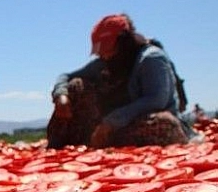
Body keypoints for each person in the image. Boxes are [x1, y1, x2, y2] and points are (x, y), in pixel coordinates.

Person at [46, 13, 197, 149]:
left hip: (140, 121)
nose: (104, 56)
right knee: (75, 86)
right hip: (115, 126)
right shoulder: (105, 62)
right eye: (102, 53)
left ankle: (102, 141)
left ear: (123, 43)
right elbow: (66, 76)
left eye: (108, 50)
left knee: (164, 124)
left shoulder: (151, 59)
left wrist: (111, 122)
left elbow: (156, 100)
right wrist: (61, 95)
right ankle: (62, 145)